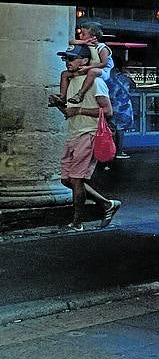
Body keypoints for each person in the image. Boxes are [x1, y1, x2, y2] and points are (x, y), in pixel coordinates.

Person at [49, 45, 121, 231]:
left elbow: (108, 111)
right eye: (66, 59)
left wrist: (80, 110)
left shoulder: (96, 82)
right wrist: (59, 104)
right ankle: (107, 204)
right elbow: (69, 112)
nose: (68, 62)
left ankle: (77, 222)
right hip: (74, 133)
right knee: (67, 179)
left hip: (88, 134)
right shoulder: (71, 80)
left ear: (85, 61)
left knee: (76, 179)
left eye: (72, 58)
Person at [55, 21, 114, 106]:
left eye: (83, 34)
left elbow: (103, 63)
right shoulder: (86, 45)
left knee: (92, 72)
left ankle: (80, 94)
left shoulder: (102, 48)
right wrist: (84, 42)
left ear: (93, 36)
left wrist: (88, 68)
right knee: (65, 74)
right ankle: (62, 97)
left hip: (102, 71)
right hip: (88, 68)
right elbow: (71, 41)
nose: (80, 36)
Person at [107, 63, 135, 160]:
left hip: (111, 105)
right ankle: (119, 151)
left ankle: (111, 150)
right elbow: (134, 85)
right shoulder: (124, 77)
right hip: (123, 106)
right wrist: (128, 74)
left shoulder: (107, 78)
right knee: (120, 129)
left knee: (111, 128)